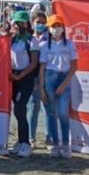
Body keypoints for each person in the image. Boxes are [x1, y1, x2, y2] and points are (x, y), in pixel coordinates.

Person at [40, 14, 78, 158]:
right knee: (51, 113)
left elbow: (74, 66)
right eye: (53, 26)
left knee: (63, 113)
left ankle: (66, 145)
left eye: (59, 26)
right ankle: (55, 144)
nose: (56, 29)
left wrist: (64, 84)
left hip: (64, 77)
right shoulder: (44, 45)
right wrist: (42, 88)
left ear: (63, 27)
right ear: (49, 29)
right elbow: (42, 67)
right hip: (50, 77)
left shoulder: (69, 44)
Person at [7, 11, 39, 158]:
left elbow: (33, 63)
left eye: (23, 23)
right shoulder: (13, 40)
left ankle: (26, 143)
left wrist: (21, 75)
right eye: (17, 23)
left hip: (25, 78)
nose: (20, 25)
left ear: (27, 24)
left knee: (21, 108)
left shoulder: (31, 41)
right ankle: (20, 141)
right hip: (14, 77)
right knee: (17, 111)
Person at [29, 11, 51, 147]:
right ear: (33, 23)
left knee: (47, 107)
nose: (40, 25)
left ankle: (49, 138)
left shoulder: (49, 38)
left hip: (47, 75)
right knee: (33, 107)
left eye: (43, 22)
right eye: (38, 22)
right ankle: (32, 138)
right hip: (32, 76)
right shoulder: (29, 38)